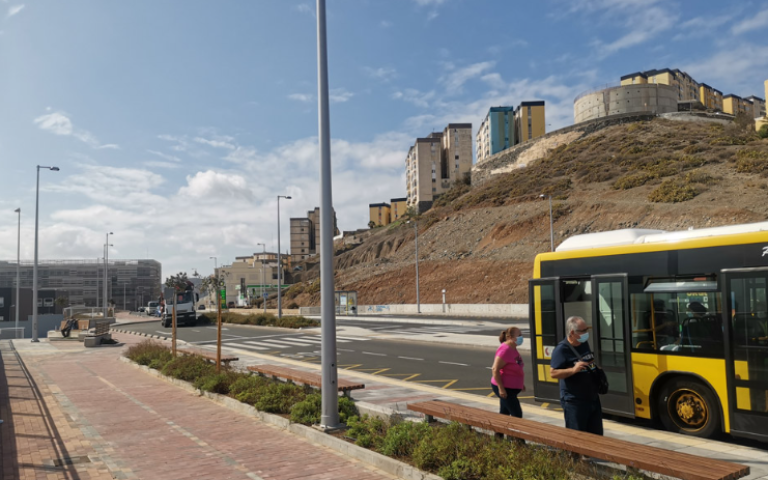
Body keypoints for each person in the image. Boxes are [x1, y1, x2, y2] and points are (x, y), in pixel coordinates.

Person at [549, 316, 603, 435]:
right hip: (574, 401)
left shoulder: (583, 343)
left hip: (592, 398)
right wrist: (573, 370)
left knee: (597, 437)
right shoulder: (561, 349)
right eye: (583, 331)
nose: (586, 333)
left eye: (587, 329)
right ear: (572, 332)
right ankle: (575, 455)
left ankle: (591, 455)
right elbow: (553, 373)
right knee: (577, 437)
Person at [490, 326, 525, 419]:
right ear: (510, 337)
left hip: (511, 388)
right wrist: (501, 389)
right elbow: (495, 369)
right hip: (506, 389)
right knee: (517, 415)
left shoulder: (513, 348)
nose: (521, 337)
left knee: (504, 413)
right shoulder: (505, 350)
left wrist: (521, 383)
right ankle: (513, 434)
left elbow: (515, 366)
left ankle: (498, 433)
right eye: (519, 335)